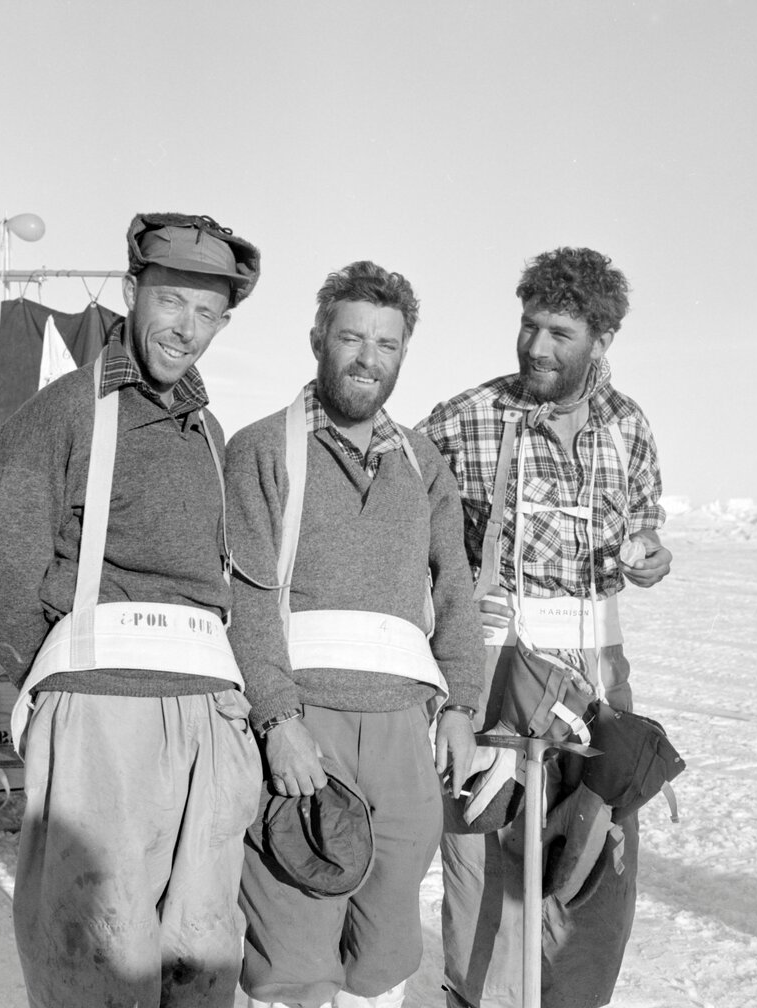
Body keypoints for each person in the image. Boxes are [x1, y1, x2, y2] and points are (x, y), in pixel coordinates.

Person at [0, 212, 263, 1008]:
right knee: (94, 958)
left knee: (201, 957)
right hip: (102, 718)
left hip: (208, 721)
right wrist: (63, 686)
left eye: (207, 313)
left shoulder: (208, 431)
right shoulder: (61, 413)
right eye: (172, 301)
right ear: (131, 292)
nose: (186, 328)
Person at [222, 261, 485, 1008]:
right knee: (293, 954)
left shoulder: (421, 462)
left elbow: (454, 589)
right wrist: (278, 721)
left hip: (403, 732)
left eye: (387, 344)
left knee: (383, 956)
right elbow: (244, 597)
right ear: (318, 340)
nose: (368, 358)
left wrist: (461, 705)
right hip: (305, 729)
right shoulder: (262, 449)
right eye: (351, 338)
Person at [417, 247, 673, 1008]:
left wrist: (650, 555)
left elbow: (646, 527)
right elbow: (401, 517)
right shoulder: (467, 417)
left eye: (560, 333)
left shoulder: (627, 426)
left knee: (593, 851)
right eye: (529, 326)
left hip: (597, 671)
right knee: (483, 854)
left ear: (601, 338)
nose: (535, 346)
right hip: (497, 664)